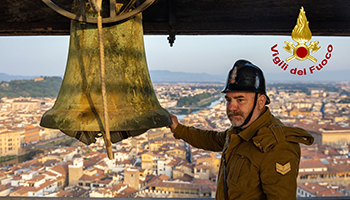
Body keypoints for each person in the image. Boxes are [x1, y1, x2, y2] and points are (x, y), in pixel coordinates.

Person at [168, 59, 314, 200]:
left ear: (261, 101)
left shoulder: (277, 145)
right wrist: (178, 128)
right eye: (228, 100)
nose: (231, 107)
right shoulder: (241, 131)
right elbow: (212, 140)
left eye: (240, 100)